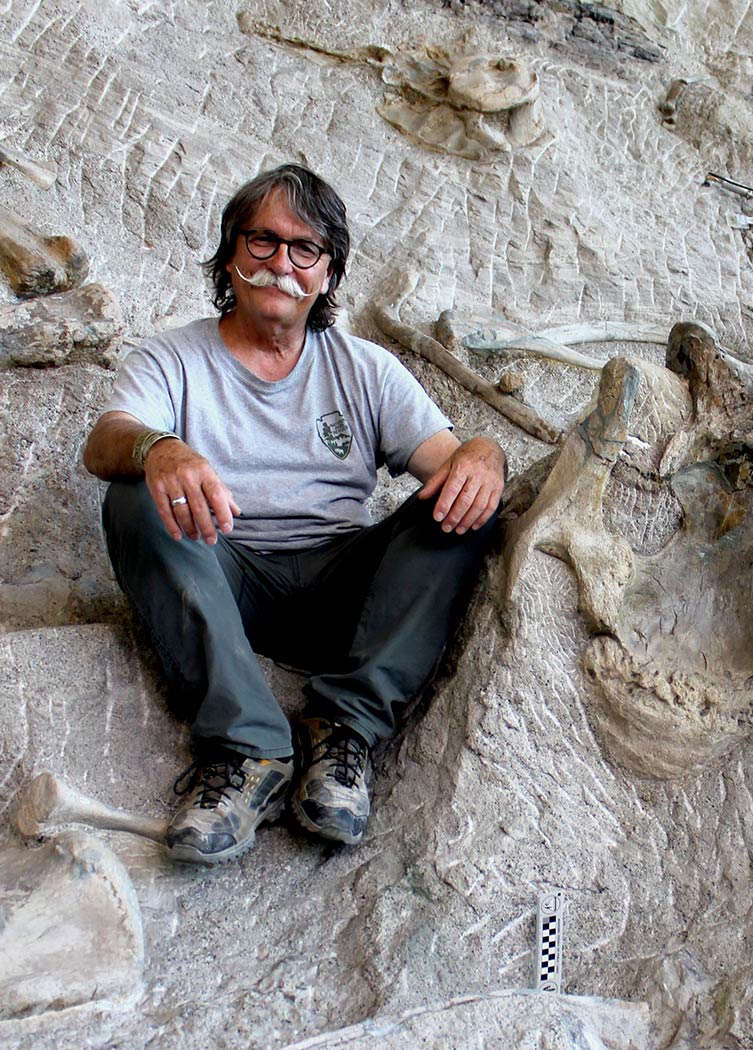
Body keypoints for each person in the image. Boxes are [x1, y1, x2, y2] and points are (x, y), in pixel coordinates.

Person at [83, 163, 506, 866]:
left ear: (328, 275)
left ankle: (343, 728)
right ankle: (247, 748)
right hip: (222, 579)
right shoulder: (174, 357)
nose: (281, 263)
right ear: (230, 254)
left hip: (344, 588)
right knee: (132, 493)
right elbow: (105, 441)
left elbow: (452, 458)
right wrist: (158, 448)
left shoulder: (364, 368)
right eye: (262, 242)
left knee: (466, 507)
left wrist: (483, 454)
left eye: (304, 249)